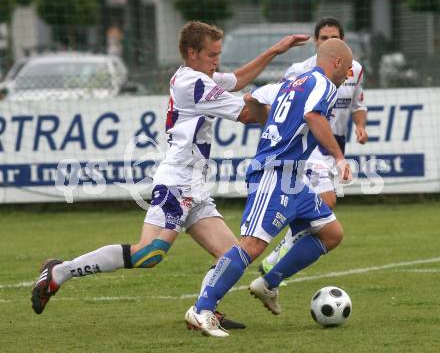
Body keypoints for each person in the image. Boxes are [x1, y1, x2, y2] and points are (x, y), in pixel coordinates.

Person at [31, 21, 309, 330]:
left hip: (196, 184)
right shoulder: (194, 83)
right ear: (193, 53)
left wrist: (274, 51)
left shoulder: (199, 76)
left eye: (218, 54)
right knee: (149, 253)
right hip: (178, 181)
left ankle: (205, 310)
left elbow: (237, 79)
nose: (217, 61)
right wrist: (288, 102)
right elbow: (247, 113)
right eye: (212, 54)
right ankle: (60, 272)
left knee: (232, 255)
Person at [185, 38, 353, 337]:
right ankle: (202, 309)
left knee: (330, 233)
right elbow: (313, 116)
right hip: (274, 174)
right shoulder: (324, 84)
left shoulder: (294, 81)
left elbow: (255, 102)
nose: (350, 74)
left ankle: (269, 282)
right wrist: (339, 158)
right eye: (348, 67)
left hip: (293, 178)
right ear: (337, 62)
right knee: (250, 246)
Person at [259, 17, 368, 276]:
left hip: (334, 145)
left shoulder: (355, 69)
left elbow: (358, 104)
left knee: (319, 207)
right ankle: (278, 256)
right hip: (310, 146)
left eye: (335, 38)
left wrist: (360, 125)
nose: (330, 41)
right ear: (316, 42)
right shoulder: (300, 70)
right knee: (327, 201)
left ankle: (275, 260)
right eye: (324, 37)